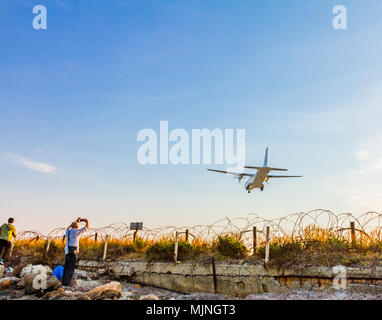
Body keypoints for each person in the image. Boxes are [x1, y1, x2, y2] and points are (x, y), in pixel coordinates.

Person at [62, 217, 89, 286]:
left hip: (67, 250)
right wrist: (86, 221)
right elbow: (86, 228)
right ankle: (67, 283)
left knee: (66, 266)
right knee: (71, 267)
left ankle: (63, 282)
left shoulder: (68, 231)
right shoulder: (76, 232)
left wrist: (76, 221)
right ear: (77, 227)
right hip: (73, 250)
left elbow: (69, 227)